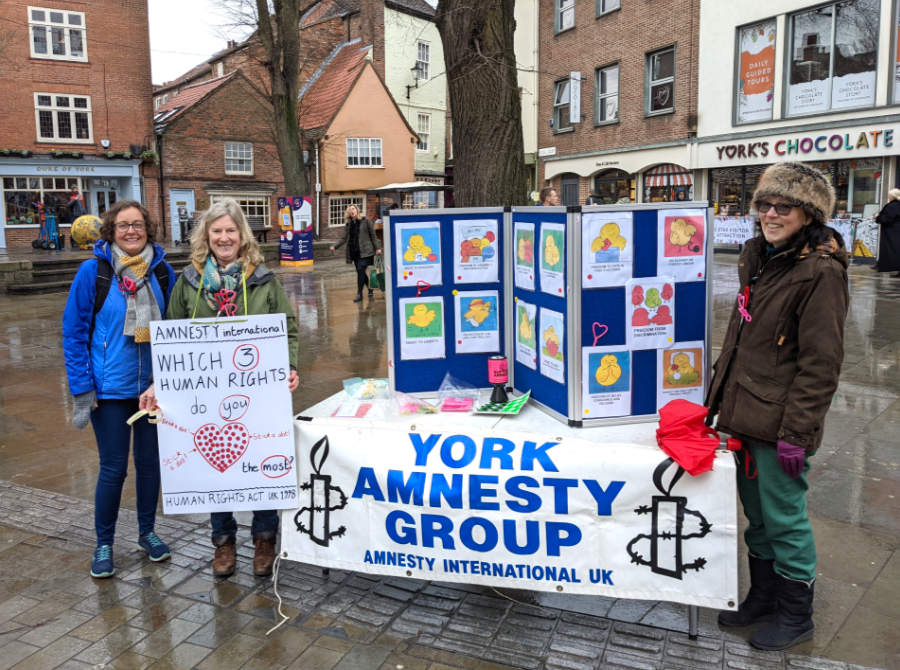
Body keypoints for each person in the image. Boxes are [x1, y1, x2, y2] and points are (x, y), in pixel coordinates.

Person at [705, 162, 849, 651]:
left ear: (807, 214)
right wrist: (719, 403)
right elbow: (741, 338)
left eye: (782, 207)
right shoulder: (758, 256)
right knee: (758, 519)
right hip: (744, 414)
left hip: (781, 423)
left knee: (784, 520)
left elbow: (821, 363)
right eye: (764, 205)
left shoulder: (821, 272)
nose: (770, 214)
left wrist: (798, 433)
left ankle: (795, 613)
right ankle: (763, 597)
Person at [153, 198, 299, 579]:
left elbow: (289, 327)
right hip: (207, 393)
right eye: (216, 231)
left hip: (259, 393)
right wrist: (167, 383)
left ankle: (265, 539)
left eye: (230, 230)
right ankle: (224, 542)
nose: (223, 237)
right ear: (206, 236)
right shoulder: (188, 282)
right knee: (216, 465)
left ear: (241, 235)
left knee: (262, 459)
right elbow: (172, 333)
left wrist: (291, 366)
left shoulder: (264, 279)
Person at [62, 200, 176, 579]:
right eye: (124, 225)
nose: (132, 231)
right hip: (108, 390)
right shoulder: (93, 272)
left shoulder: (162, 272)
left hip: (152, 390)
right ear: (111, 230)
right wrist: (83, 388)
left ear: (148, 229)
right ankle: (104, 543)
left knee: (149, 466)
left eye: (139, 225)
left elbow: (176, 330)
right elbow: (74, 334)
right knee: (113, 469)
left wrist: (169, 381)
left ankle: (148, 533)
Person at [330, 204, 382, 303]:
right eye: (350, 210)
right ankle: (370, 288)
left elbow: (373, 236)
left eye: (353, 209)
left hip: (366, 252)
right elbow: (343, 238)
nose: (352, 211)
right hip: (354, 252)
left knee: (360, 270)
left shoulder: (366, 221)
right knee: (360, 272)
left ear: (357, 210)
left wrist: (378, 248)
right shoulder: (349, 224)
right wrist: (335, 246)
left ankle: (359, 294)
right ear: (348, 213)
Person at [874, 188, 900, 277]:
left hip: (892, 232)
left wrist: (877, 218)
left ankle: (887, 266)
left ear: (893, 196)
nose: (888, 197)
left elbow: (887, 218)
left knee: (893, 250)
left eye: (889, 195)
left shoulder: (892, 206)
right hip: (896, 232)